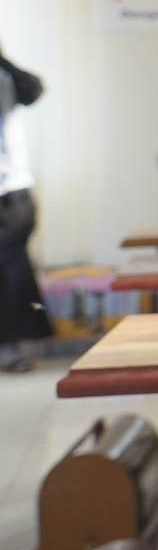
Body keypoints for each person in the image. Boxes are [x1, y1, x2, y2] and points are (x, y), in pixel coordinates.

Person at [0, 46, 49, 372]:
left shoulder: (8, 78)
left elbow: (33, 89)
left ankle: (14, 348)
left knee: (12, 266)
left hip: (12, 191)